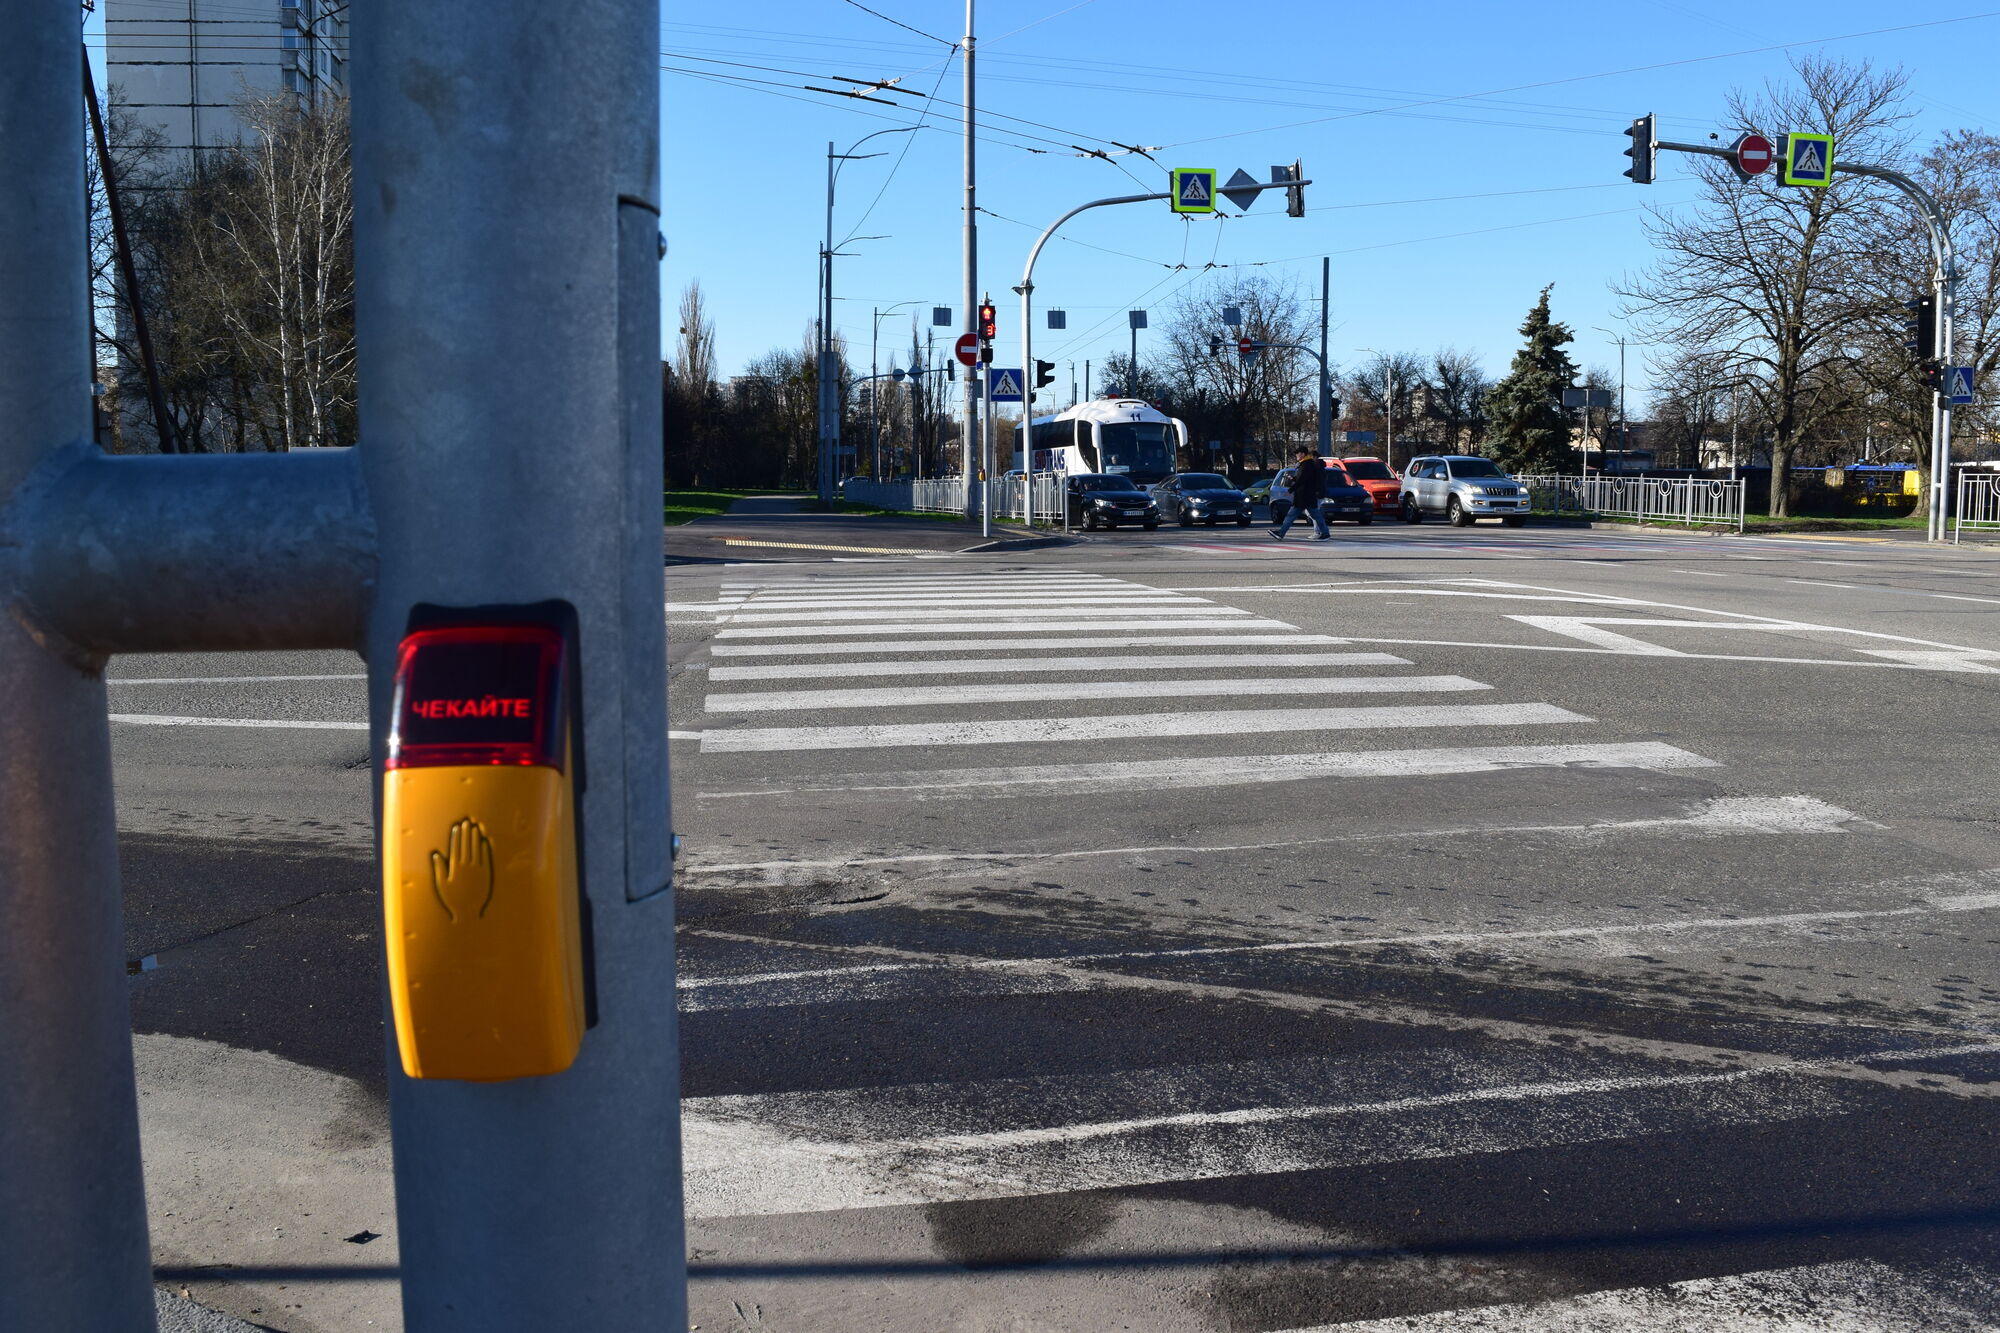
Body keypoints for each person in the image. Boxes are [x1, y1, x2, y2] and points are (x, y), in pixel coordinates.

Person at [1270, 447, 1331, 540]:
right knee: (1315, 515)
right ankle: (1325, 533)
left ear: (1303, 454)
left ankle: (1281, 533)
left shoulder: (1306, 465)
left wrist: (1290, 490)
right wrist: (1293, 479)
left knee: (1292, 515)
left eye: (1297, 453)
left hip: (1304, 496)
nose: (1296, 455)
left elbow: (1302, 480)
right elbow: (1303, 479)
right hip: (1307, 496)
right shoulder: (1307, 464)